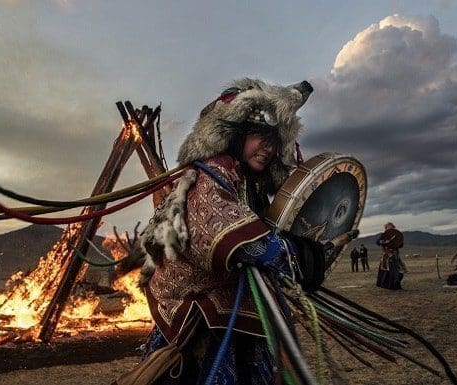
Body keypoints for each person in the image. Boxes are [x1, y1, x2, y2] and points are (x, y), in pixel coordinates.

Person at [117, 79, 324, 385]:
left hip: (231, 307)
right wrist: (292, 255)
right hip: (199, 314)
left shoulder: (249, 182)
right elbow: (225, 233)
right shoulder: (209, 174)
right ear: (236, 135)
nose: (267, 149)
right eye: (259, 137)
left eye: (273, 142)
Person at [375, 222, 405, 290]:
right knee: (387, 271)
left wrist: (397, 242)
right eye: (388, 228)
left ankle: (396, 285)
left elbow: (401, 245)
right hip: (386, 256)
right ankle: (387, 285)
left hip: (395, 255)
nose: (390, 229)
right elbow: (377, 242)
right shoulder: (383, 235)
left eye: (391, 228)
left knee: (397, 271)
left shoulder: (396, 235)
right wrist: (385, 242)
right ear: (386, 228)